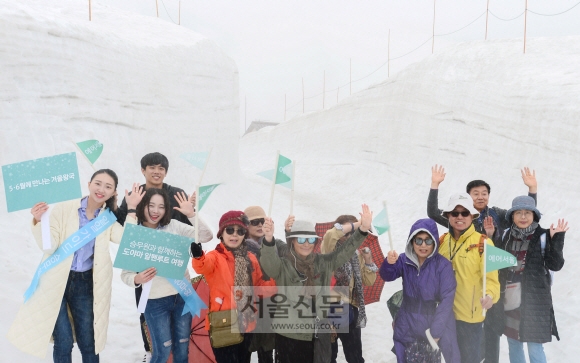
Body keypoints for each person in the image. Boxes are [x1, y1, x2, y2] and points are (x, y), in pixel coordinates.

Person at [7, 169, 143, 362]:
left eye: (108, 186)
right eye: (98, 183)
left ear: (113, 193)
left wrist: (131, 209)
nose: (101, 189)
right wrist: (39, 221)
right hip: (55, 281)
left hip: (86, 284)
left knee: (89, 342)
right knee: (63, 341)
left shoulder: (107, 219)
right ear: (89, 184)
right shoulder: (64, 208)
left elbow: (125, 239)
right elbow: (50, 246)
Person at [427, 165, 538, 363]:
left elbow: (523, 218)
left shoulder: (496, 216)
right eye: (475, 193)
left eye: (484, 193)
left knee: (491, 335)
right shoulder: (446, 238)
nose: (480, 197)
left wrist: (532, 192)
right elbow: (433, 213)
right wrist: (434, 186)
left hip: (487, 292)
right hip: (451, 310)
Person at [259, 204, 373, 363]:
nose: (306, 243)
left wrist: (363, 229)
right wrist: (268, 239)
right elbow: (269, 264)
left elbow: (346, 250)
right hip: (290, 336)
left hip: (318, 335)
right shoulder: (284, 265)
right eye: (301, 239)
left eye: (311, 239)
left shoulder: (323, 263)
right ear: (292, 241)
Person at [115, 152, 192, 363]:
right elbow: (123, 224)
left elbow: (190, 227)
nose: (156, 172)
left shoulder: (176, 193)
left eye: (161, 168)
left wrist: (192, 211)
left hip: (173, 264)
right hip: (147, 264)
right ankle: (150, 348)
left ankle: (169, 348)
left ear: (166, 172)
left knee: (180, 329)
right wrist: (121, 205)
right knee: (146, 310)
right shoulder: (135, 194)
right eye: (152, 167)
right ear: (143, 170)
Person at [121, 188, 213, 363]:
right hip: (155, 302)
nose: (156, 211)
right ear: (143, 206)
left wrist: (192, 214)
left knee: (181, 349)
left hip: (182, 297)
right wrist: (137, 279)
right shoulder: (135, 233)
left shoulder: (174, 226)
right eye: (151, 205)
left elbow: (206, 236)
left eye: (161, 207)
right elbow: (126, 274)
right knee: (162, 352)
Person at [190, 210, 277, 363]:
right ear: (221, 233)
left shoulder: (250, 258)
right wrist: (198, 256)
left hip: (247, 323)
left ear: (245, 234)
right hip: (224, 324)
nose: (235, 235)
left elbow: (259, 286)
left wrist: (275, 278)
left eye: (240, 231)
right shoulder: (215, 256)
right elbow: (203, 265)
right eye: (230, 230)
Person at [380, 218, 460, 363]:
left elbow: (447, 300)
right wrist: (389, 263)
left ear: (434, 242)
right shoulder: (404, 260)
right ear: (412, 241)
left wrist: (435, 331)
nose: (423, 245)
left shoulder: (443, 266)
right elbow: (387, 275)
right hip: (407, 323)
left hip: (433, 322)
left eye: (428, 241)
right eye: (418, 240)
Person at [498, 196, 567, 363]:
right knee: (514, 343)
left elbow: (555, 264)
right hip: (511, 298)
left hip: (535, 301)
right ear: (512, 216)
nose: (523, 217)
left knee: (534, 346)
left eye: (527, 213)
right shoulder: (506, 235)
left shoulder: (544, 236)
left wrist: (557, 239)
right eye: (519, 213)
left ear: (534, 216)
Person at [436, 193, 500, 363]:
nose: (459, 217)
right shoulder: (442, 241)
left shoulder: (484, 243)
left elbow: (493, 281)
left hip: (470, 319)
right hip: (445, 315)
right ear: (448, 216)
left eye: (464, 213)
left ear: (472, 216)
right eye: (454, 213)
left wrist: (490, 296)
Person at [320, 214, 377, 363]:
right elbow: (330, 234)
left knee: (355, 356)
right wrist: (358, 224)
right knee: (328, 355)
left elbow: (368, 281)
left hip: (350, 308)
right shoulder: (329, 249)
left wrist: (368, 261)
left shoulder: (357, 254)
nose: (350, 235)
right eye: (347, 231)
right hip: (329, 307)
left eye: (354, 233)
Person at [243, 206, 292, 363]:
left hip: (270, 304)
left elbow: (291, 253)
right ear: (246, 225)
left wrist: (289, 232)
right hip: (247, 305)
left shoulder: (274, 244)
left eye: (262, 221)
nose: (259, 225)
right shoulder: (238, 246)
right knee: (245, 350)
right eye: (254, 222)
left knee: (267, 351)